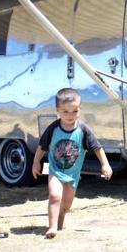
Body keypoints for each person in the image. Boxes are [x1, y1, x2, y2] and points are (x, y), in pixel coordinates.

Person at [32, 88, 113, 238]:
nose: (70, 115)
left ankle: (61, 218)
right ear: (57, 110)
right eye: (65, 111)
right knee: (55, 196)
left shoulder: (83, 130)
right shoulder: (53, 128)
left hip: (73, 174)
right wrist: (36, 162)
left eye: (74, 111)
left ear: (79, 110)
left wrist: (105, 164)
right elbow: (42, 147)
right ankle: (52, 227)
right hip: (56, 171)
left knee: (67, 204)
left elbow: (97, 148)